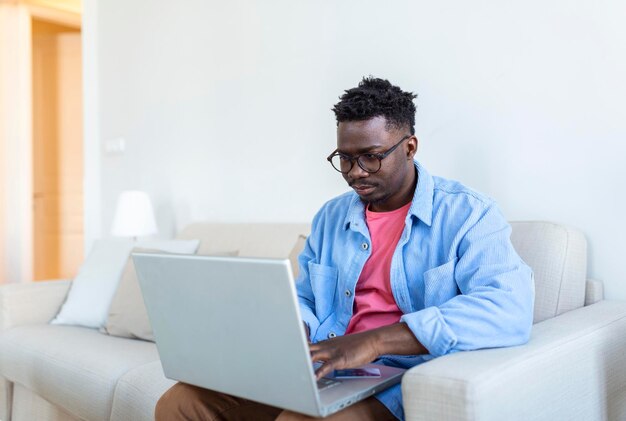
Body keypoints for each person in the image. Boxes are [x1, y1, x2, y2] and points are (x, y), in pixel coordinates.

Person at [155, 77, 534, 420]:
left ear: (410, 147)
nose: (355, 172)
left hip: (400, 378)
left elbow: (508, 307)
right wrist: (292, 330)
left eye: (371, 156)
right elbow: (304, 297)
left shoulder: (468, 213)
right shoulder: (331, 217)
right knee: (181, 404)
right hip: (327, 365)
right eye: (345, 158)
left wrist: (372, 342)